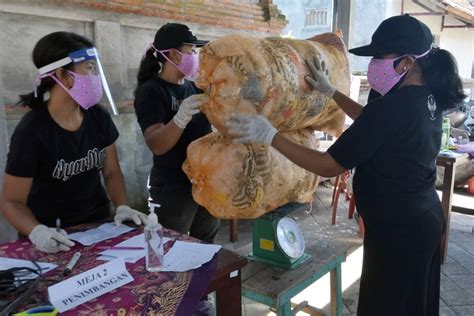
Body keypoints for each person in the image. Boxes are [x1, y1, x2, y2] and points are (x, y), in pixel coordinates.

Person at [226, 14, 466, 315]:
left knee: (386, 307)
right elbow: (373, 123)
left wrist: (271, 136)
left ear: (406, 62)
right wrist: (331, 92)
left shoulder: (392, 107)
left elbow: (328, 165)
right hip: (422, 219)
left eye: (380, 56)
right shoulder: (424, 97)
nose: (374, 64)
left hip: (398, 231)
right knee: (414, 304)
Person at [0, 32, 147, 254]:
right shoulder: (32, 131)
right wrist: (38, 232)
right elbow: (11, 201)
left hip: (98, 225)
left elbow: (112, 172)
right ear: (62, 74)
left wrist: (123, 206)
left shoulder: (98, 116)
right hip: (54, 236)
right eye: (89, 67)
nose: (95, 75)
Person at [134, 23, 219, 243]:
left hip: (204, 181)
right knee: (172, 245)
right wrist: (179, 118)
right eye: (191, 50)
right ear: (173, 54)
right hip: (173, 187)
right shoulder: (151, 91)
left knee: (205, 242)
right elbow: (157, 144)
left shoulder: (194, 87)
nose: (196, 56)